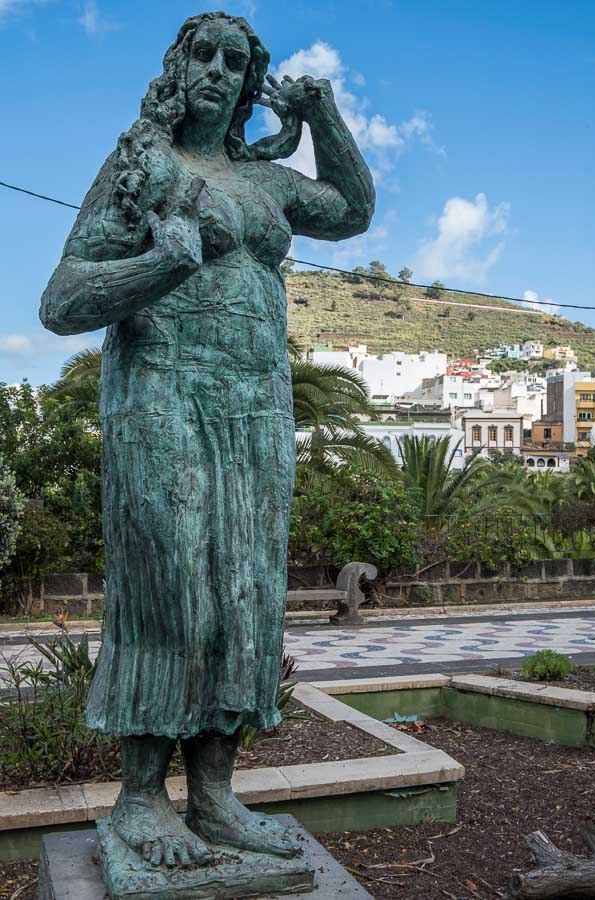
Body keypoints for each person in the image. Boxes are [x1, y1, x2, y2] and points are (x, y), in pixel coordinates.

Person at [40, 11, 374, 870]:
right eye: (206, 55)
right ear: (178, 68)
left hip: (255, 406)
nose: (221, 71)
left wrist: (325, 116)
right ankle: (143, 801)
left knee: (243, 591)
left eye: (237, 60)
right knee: (171, 584)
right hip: (160, 395)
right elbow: (64, 298)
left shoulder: (268, 184)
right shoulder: (143, 165)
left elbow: (351, 211)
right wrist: (166, 264)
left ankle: (216, 797)